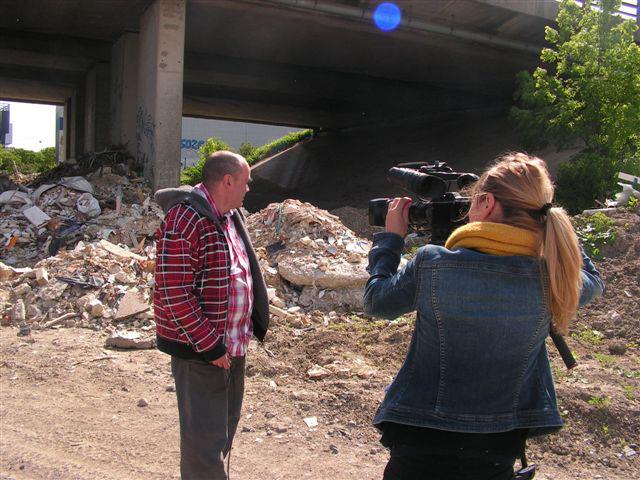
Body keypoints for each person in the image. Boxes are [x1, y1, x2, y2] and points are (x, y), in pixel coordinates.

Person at [364, 153, 604, 480]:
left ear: (488, 202)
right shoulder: (554, 282)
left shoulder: (433, 263)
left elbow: (377, 302)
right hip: (496, 452)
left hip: (421, 445)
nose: (467, 211)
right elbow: (591, 276)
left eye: (473, 201)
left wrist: (391, 240)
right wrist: (548, 222)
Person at [153, 151, 269, 479]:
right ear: (227, 181)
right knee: (203, 448)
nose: (248, 190)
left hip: (232, 347)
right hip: (202, 353)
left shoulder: (229, 217)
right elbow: (174, 293)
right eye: (245, 183)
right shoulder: (184, 219)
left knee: (222, 436)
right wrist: (210, 346)